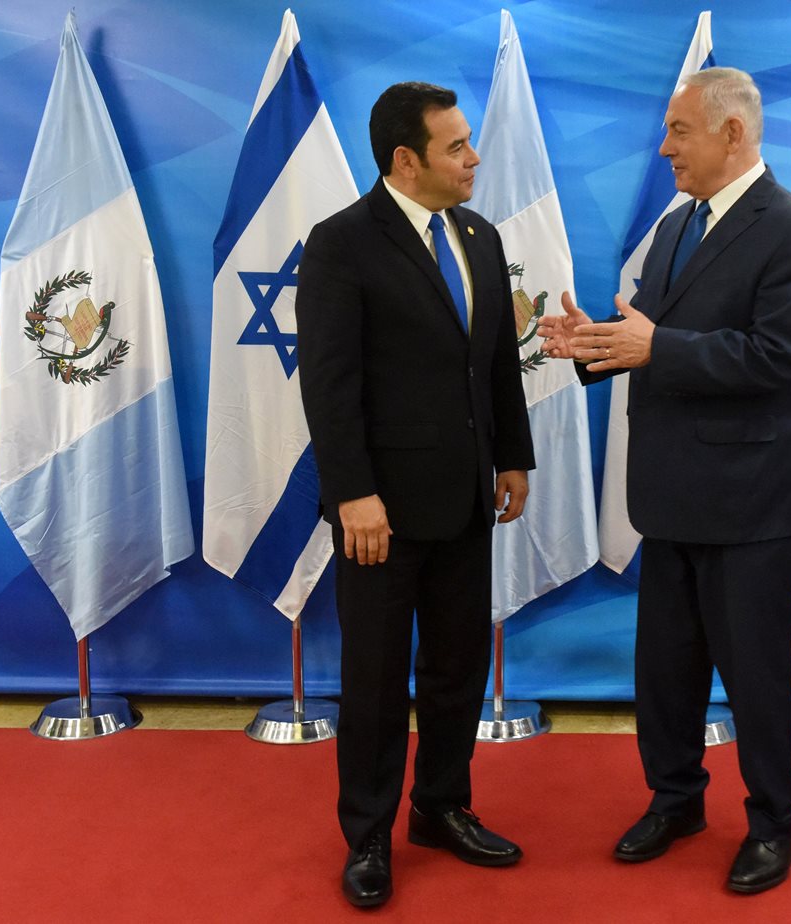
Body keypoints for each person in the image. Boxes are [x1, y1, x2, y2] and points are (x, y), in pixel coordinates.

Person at [538, 67, 791, 894]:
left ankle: (775, 822)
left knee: (755, 677)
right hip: (669, 495)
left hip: (752, 504)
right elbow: (648, 329)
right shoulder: (677, 226)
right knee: (665, 674)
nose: (665, 148)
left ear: (732, 134)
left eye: (679, 131)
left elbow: (779, 360)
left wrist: (652, 348)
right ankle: (677, 801)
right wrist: (594, 340)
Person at [295, 81, 535, 909]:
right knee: (372, 677)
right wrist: (353, 493)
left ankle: (441, 806)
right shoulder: (341, 243)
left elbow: (495, 361)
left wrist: (513, 457)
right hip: (381, 515)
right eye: (457, 146)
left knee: (457, 668)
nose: (474, 158)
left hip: (469, 500)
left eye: (470, 143)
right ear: (407, 160)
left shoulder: (479, 234)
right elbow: (330, 386)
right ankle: (366, 834)